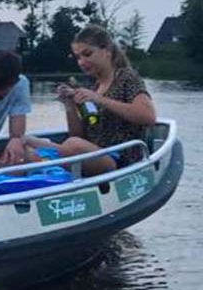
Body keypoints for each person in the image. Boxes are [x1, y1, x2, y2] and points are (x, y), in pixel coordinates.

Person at [25, 24, 156, 176]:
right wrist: (69, 105)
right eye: (78, 57)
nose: (81, 62)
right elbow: (79, 135)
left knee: (72, 145)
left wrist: (100, 99)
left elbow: (148, 117)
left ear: (106, 51)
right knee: (25, 141)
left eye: (87, 54)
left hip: (120, 159)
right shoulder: (94, 87)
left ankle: (48, 164)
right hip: (93, 153)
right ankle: (45, 172)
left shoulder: (126, 78)